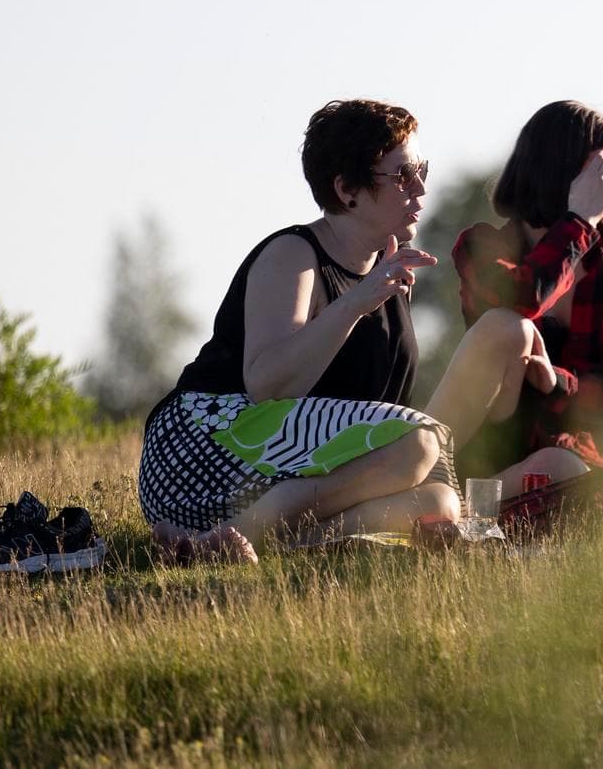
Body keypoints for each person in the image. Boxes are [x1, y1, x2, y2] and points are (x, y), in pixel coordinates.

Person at [137, 100, 459, 562]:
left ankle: (261, 543)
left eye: (422, 170)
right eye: (403, 175)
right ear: (347, 189)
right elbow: (268, 385)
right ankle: (236, 534)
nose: (421, 187)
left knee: (439, 503)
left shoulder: (387, 274)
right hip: (203, 450)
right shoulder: (294, 255)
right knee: (418, 443)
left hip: (286, 471)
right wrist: (355, 303)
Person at [424, 100, 603, 500]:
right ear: (558, 167)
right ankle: (420, 474)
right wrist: (578, 222)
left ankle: (452, 511)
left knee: (559, 467)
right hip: (493, 446)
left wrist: (558, 382)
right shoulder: (481, 246)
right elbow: (525, 298)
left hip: (577, 455)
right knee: (508, 326)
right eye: (600, 173)